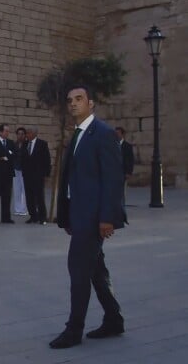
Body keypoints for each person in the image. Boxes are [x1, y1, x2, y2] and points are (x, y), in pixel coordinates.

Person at [50, 85, 126, 349]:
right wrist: (68, 217)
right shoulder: (78, 135)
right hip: (80, 216)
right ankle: (114, 319)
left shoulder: (102, 134)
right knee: (95, 269)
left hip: (94, 218)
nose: (73, 104)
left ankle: (74, 330)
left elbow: (112, 180)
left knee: (79, 269)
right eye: (70, 100)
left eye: (79, 99)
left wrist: (107, 218)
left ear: (91, 103)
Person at [23, 126, 51, 225]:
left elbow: (47, 159)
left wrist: (46, 173)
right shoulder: (25, 144)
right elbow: (22, 157)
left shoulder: (42, 144)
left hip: (38, 175)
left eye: (29, 133)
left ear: (35, 133)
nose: (27, 135)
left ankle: (42, 217)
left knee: (39, 196)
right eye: (27, 133)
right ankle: (33, 216)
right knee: (29, 196)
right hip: (27, 175)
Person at [12, 127, 28, 216]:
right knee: (17, 189)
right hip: (16, 168)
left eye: (22, 134)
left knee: (24, 190)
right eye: (19, 134)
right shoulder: (14, 144)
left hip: (25, 169)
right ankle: (17, 208)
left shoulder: (27, 144)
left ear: (25, 135)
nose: (20, 136)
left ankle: (24, 209)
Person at [115, 126, 134, 200]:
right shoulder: (111, 145)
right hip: (114, 171)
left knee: (122, 189)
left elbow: (130, 160)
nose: (116, 135)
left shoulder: (127, 146)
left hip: (123, 171)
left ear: (122, 135)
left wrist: (129, 172)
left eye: (118, 133)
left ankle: (122, 203)